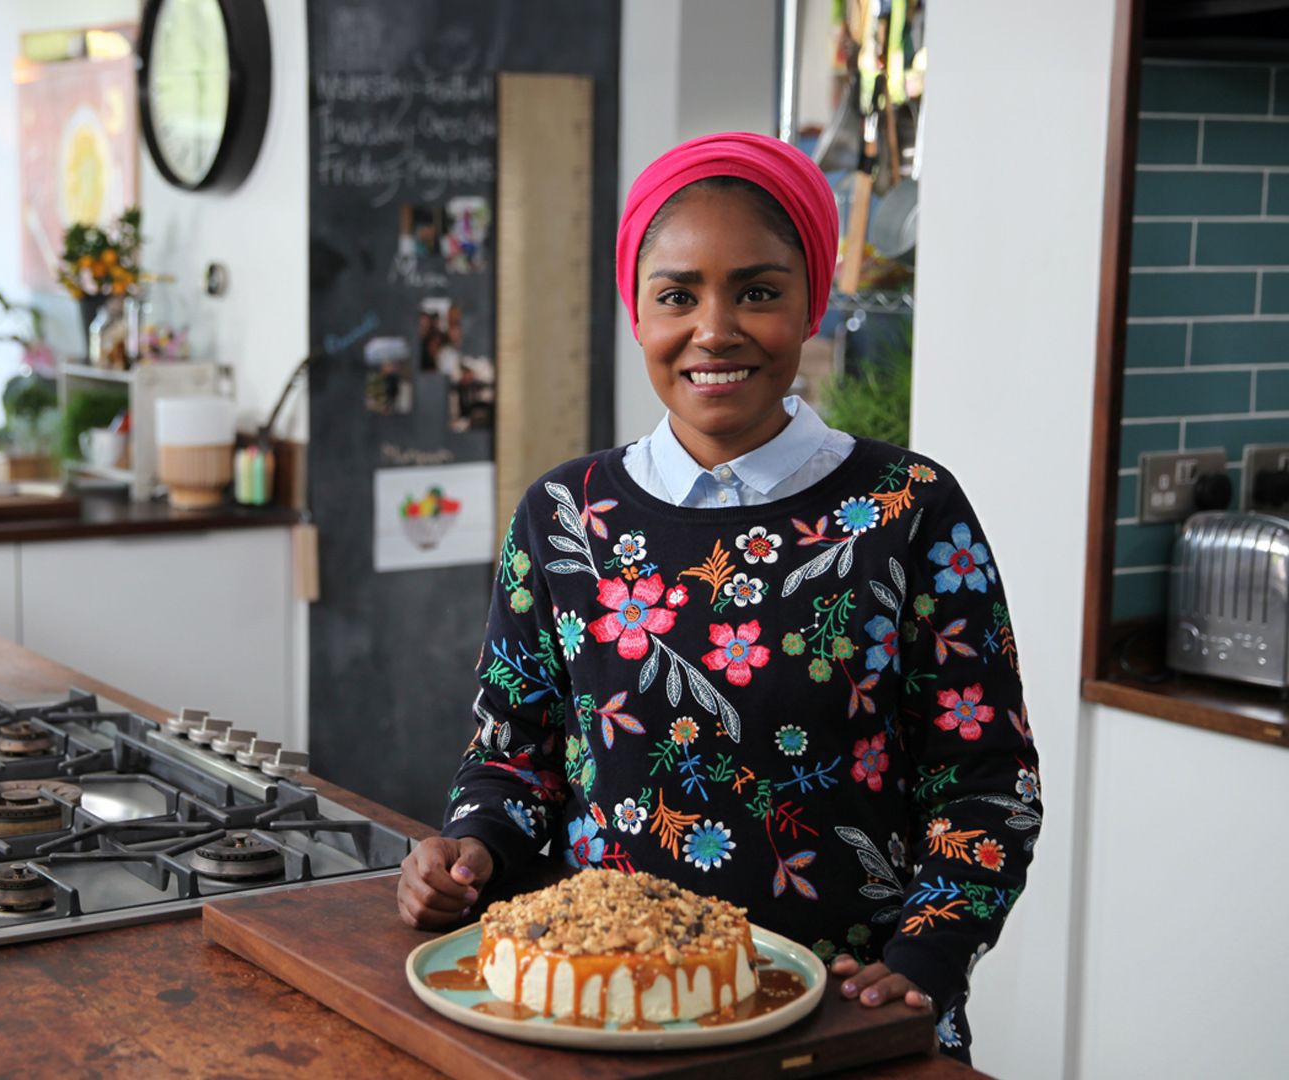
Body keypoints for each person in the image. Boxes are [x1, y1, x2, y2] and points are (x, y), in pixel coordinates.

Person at [396, 132, 1038, 1064]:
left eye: (759, 291)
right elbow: (513, 756)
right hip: (596, 1021)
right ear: (637, 313)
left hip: (845, 1026)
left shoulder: (909, 512)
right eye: (677, 295)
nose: (715, 329)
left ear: (812, 302)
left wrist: (929, 953)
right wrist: (470, 850)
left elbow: (986, 785)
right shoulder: (566, 516)